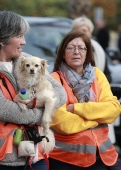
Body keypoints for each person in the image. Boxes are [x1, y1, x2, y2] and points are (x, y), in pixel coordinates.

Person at [0, 10, 66, 170]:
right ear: (2, 39)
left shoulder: (26, 60)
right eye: (19, 36)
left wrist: (38, 102)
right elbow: (0, 109)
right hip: (1, 159)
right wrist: (42, 115)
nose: (24, 42)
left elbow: (60, 93)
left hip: (35, 154)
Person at [49, 30, 121, 169]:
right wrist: (98, 116)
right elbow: (62, 123)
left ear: (87, 53)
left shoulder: (97, 74)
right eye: (70, 48)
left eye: (81, 48)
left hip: (105, 156)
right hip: (68, 160)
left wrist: (77, 108)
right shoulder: (53, 80)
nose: (77, 52)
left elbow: (114, 109)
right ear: (63, 53)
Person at [71, 16, 111, 83]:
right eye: (78, 31)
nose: (81, 34)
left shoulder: (98, 50)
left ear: (90, 32)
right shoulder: (65, 48)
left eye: (84, 31)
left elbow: (107, 76)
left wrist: (96, 82)